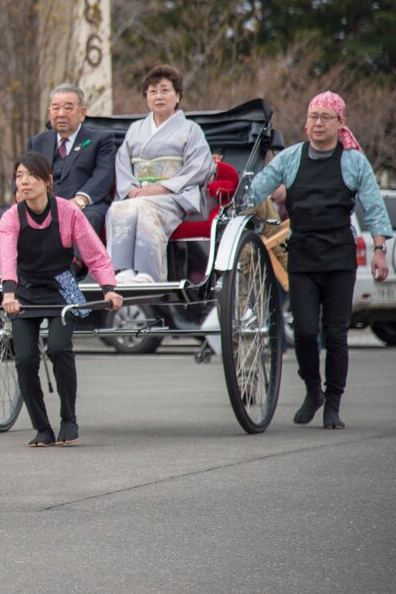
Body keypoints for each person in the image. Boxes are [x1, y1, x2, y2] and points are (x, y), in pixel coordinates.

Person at [244, 91, 392, 429]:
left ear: (340, 123)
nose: (318, 123)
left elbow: (373, 207)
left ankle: (333, 403)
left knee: (336, 334)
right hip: (303, 257)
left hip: (340, 258)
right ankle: (313, 390)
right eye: (313, 117)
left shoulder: (353, 161)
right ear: (307, 122)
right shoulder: (292, 158)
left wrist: (380, 251)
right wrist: (229, 181)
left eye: (326, 117)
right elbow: (256, 191)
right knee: (306, 331)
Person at [0, 152, 123, 447]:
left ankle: (69, 420)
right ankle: (42, 428)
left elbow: (94, 252)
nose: (24, 181)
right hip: (25, 290)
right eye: (19, 176)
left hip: (63, 286)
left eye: (31, 175)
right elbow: (7, 256)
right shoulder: (11, 217)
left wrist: (108, 287)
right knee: (26, 358)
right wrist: (8, 292)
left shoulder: (68, 212)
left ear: (48, 181)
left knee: (58, 349)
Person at [106, 65, 215, 283]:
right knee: (118, 207)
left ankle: (147, 273)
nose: (159, 96)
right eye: (153, 91)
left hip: (174, 197)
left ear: (177, 96)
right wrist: (132, 190)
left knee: (144, 207)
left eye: (165, 90)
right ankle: (122, 271)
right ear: (146, 96)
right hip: (139, 195)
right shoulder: (136, 129)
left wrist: (162, 188)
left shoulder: (190, 129)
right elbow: (123, 164)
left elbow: (199, 166)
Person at [25, 83, 116, 234]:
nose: (61, 114)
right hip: (44, 205)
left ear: (82, 112)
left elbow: (104, 174)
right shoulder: (37, 142)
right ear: (49, 112)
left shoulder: (101, 140)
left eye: (68, 108)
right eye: (55, 108)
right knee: (8, 216)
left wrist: (80, 200)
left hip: (86, 206)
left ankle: (78, 259)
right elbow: (22, 174)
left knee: (89, 217)